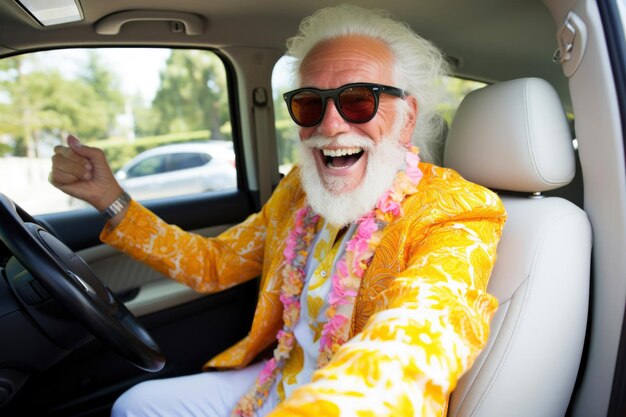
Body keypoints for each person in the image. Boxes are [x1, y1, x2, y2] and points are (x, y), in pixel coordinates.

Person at [49, 4, 506, 417]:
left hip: (343, 399)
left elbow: (421, 335)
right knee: (136, 405)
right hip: (276, 377)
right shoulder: (297, 192)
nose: (330, 125)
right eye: (310, 103)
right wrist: (110, 198)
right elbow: (215, 264)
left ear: (407, 117)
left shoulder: (457, 210)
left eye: (358, 100)